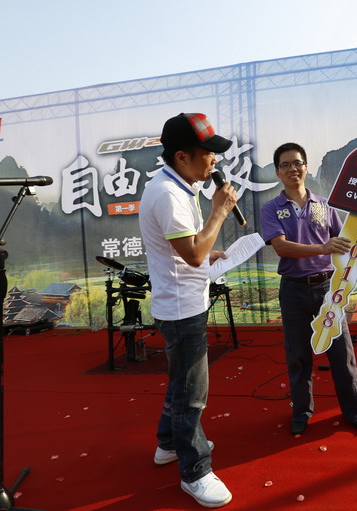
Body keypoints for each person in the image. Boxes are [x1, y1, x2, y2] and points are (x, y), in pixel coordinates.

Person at [138, 113, 238, 508]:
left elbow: (189, 250)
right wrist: (220, 212)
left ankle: (168, 443)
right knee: (192, 394)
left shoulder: (178, 187)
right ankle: (195, 471)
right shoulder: (168, 194)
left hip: (183, 301)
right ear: (182, 156)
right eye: (207, 153)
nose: (214, 160)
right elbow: (193, 254)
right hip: (181, 309)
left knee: (182, 383)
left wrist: (208, 251)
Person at [260, 142, 357, 436]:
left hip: (327, 288)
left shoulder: (324, 205)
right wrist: (322, 247)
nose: (292, 169)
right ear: (277, 172)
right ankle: (302, 411)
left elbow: (343, 242)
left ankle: (355, 410)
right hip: (293, 290)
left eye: (297, 163)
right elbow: (282, 248)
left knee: (341, 353)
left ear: (306, 167)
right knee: (298, 355)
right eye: (285, 165)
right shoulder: (271, 209)